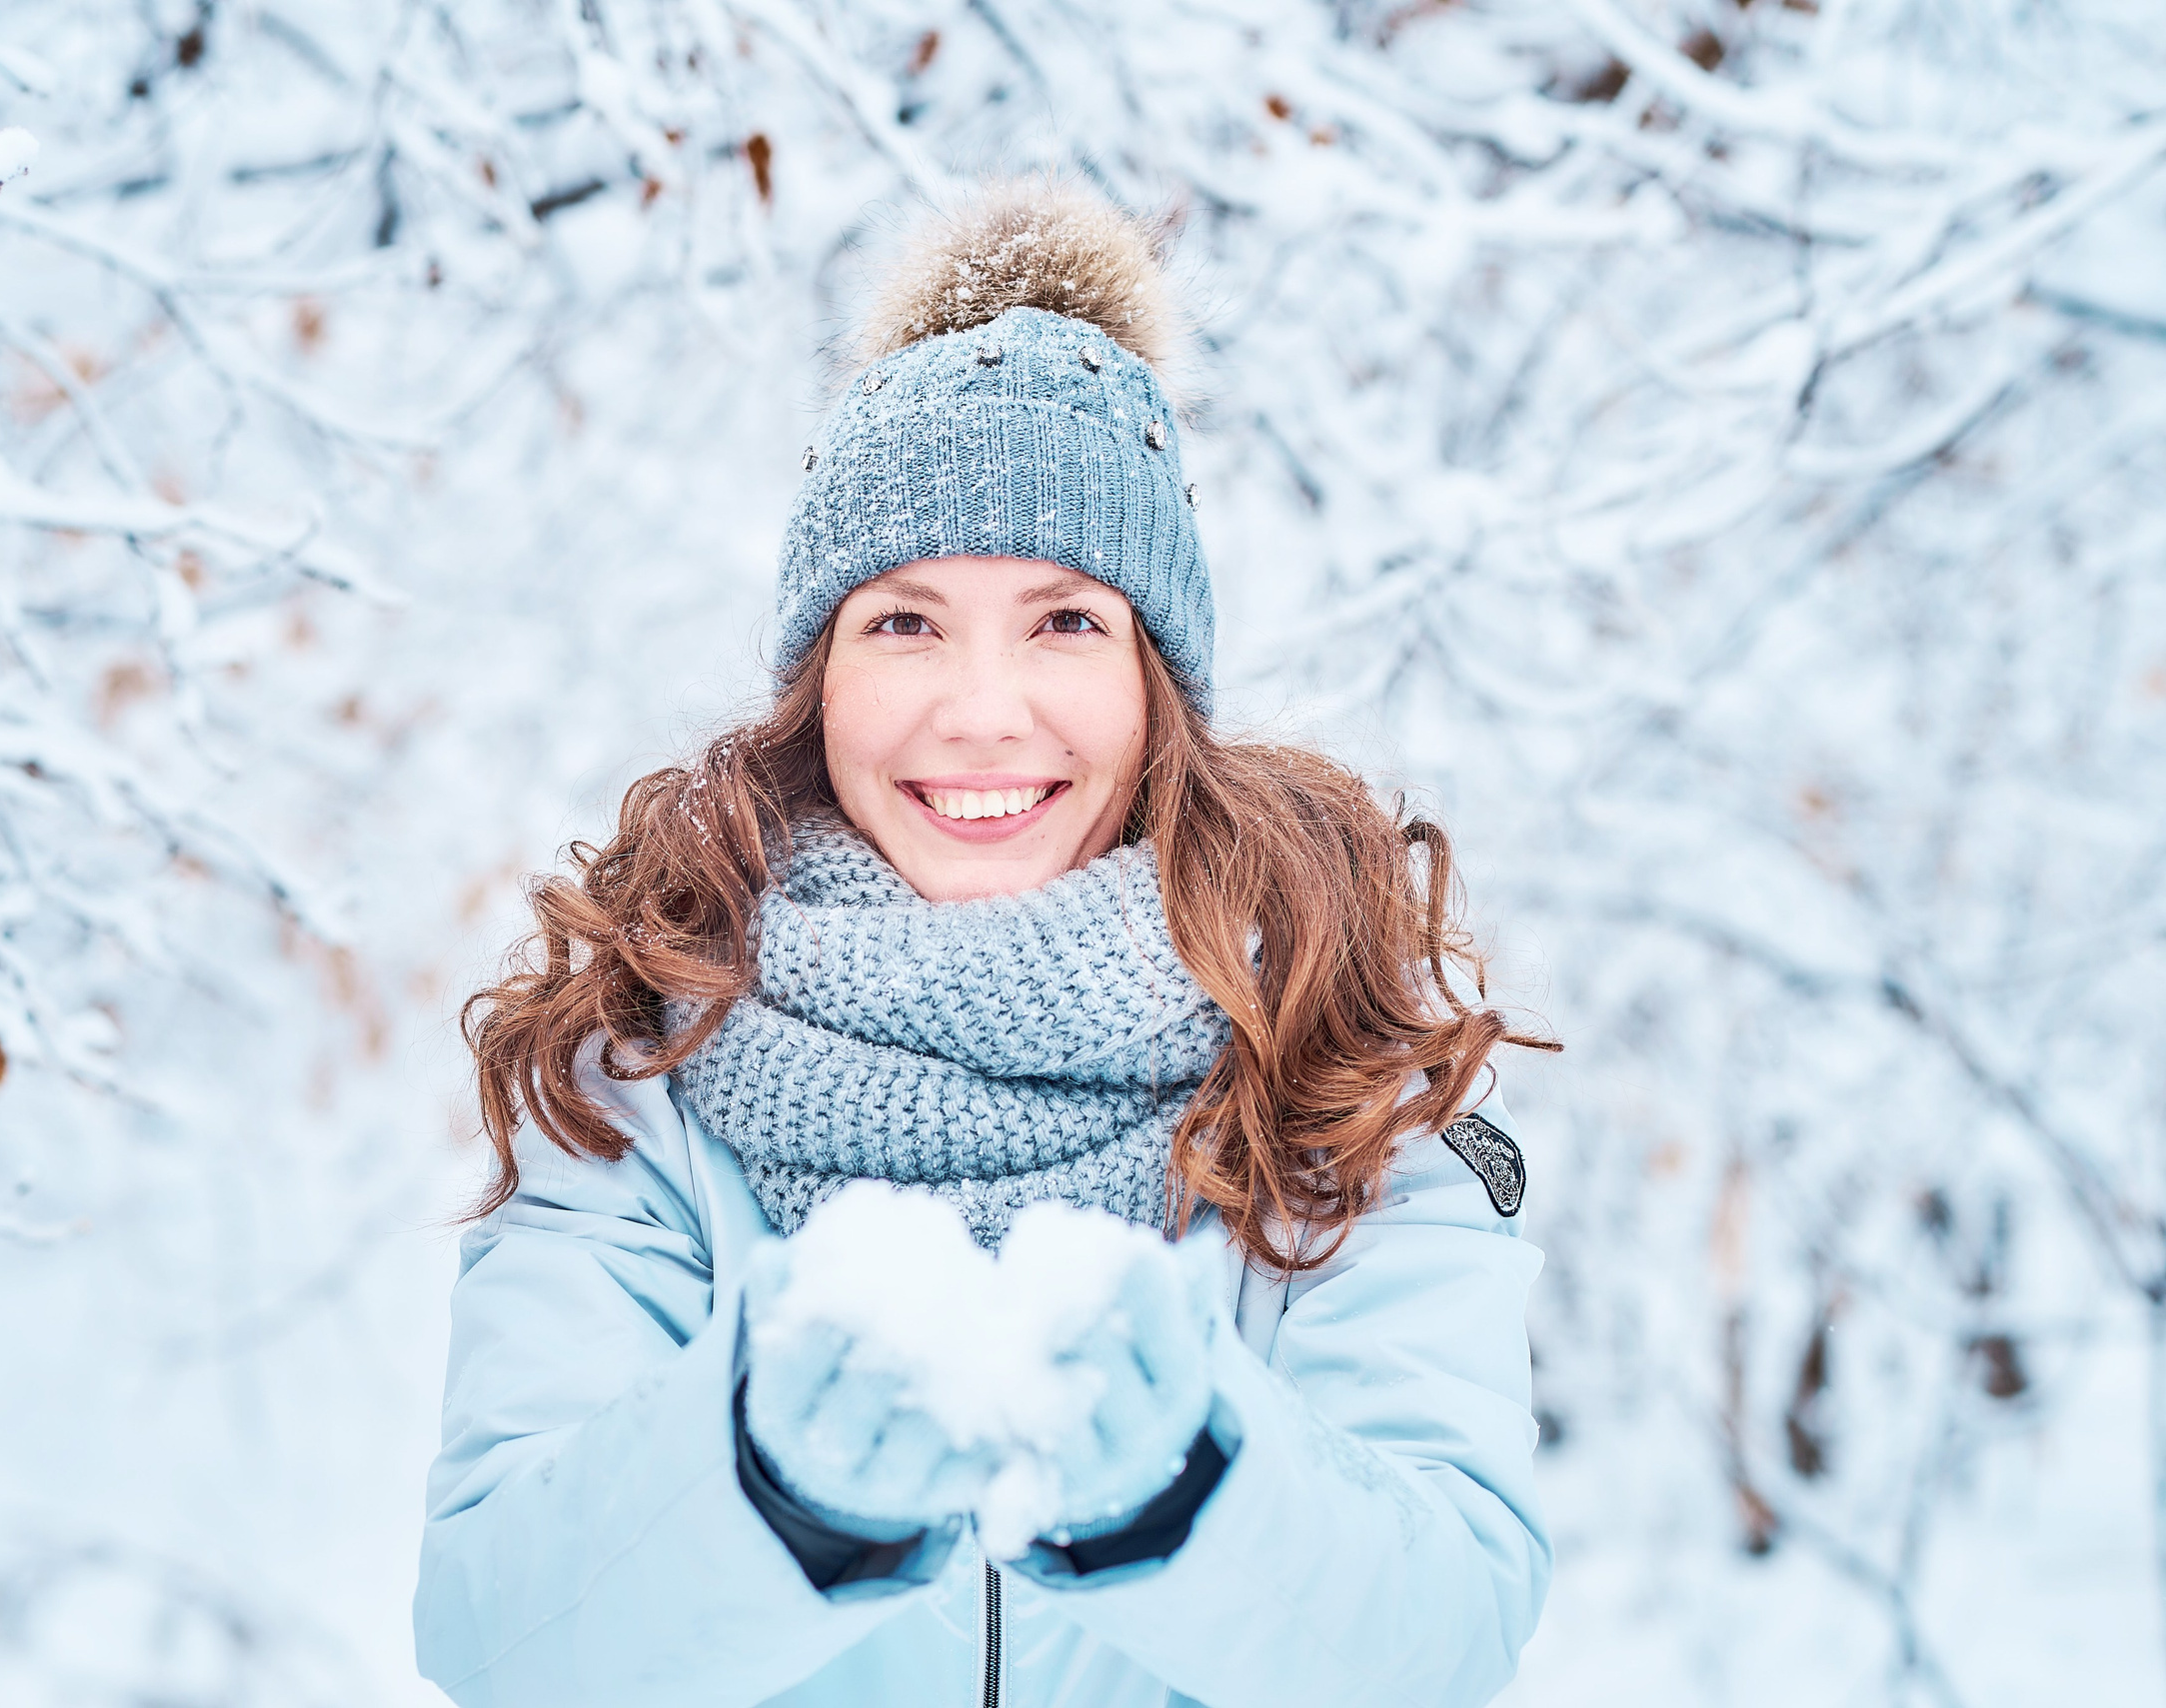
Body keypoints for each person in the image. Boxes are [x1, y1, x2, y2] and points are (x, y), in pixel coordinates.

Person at [413, 180, 1556, 1708]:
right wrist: (764, 1475)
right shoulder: (645, 1065)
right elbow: (504, 1641)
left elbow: (1441, 1635)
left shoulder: (1332, 1063)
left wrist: (1188, 1486)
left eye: (1066, 621)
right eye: (905, 622)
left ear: (1160, 679)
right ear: (817, 672)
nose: (981, 707)